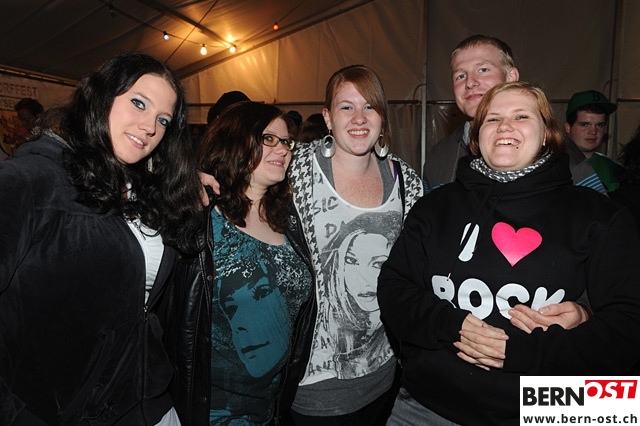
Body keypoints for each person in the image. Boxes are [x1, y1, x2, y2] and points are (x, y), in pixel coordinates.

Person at [378, 81, 640, 426]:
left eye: (521, 116)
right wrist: (449, 324)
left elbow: (627, 326)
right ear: (476, 136)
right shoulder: (436, 206)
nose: (504, 126)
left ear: (547, 134)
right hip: (428, 406)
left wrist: (528, 350)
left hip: (546, 408)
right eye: (492, 119)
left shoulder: (599, 216)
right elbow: (394, 288)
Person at [0, 52, 204, 426]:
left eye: (163, 119)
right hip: (65, 412)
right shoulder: (31, 179)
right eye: (139, 103)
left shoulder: (140, 185)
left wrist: (185, 188)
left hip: (150, 401)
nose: (150, 126)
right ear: (101, 97)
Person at [161, 101, 314, 425]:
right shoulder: (200, 215)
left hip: (271, 405)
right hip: (211, 408)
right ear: (236, 140)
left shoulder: (287, 217)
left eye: (286, 141)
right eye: (269, 138)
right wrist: (174, 183)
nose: (283, 149)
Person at [287, 65, 424, 425]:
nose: (359, 118)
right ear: (327, 117)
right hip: (313, 381)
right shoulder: (294, 168)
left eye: (370, 107)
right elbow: (234, 180)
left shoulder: (406, 181)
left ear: (382, 117)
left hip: (384, 373)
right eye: (346, 107)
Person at [422, 34, 519, 192]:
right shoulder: (439, 156)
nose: (470, 82)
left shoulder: (542, 149)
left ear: (510, 77)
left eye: (483, 70)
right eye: (460, 76)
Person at [565, 89, 621, 194]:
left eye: (600, 125)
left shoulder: (612, 168)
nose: (593, 131)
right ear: (568, 127)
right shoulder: (553, 165)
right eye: (585, 125)